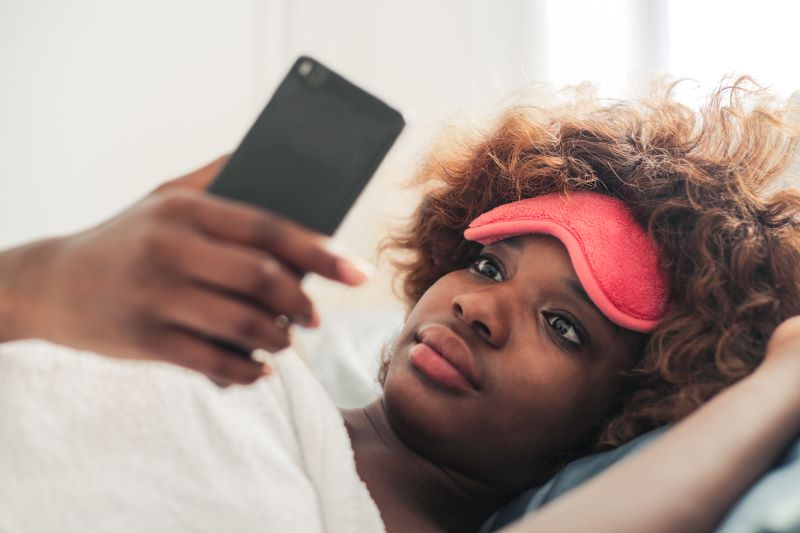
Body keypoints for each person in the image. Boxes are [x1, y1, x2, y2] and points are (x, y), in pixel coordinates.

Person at [1, 77, 799, 533]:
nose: (482, 309)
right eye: (488, 263)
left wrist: (778, 382)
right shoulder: (244, 355)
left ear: (623, 419)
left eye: (564, 326)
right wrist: (45, 280)